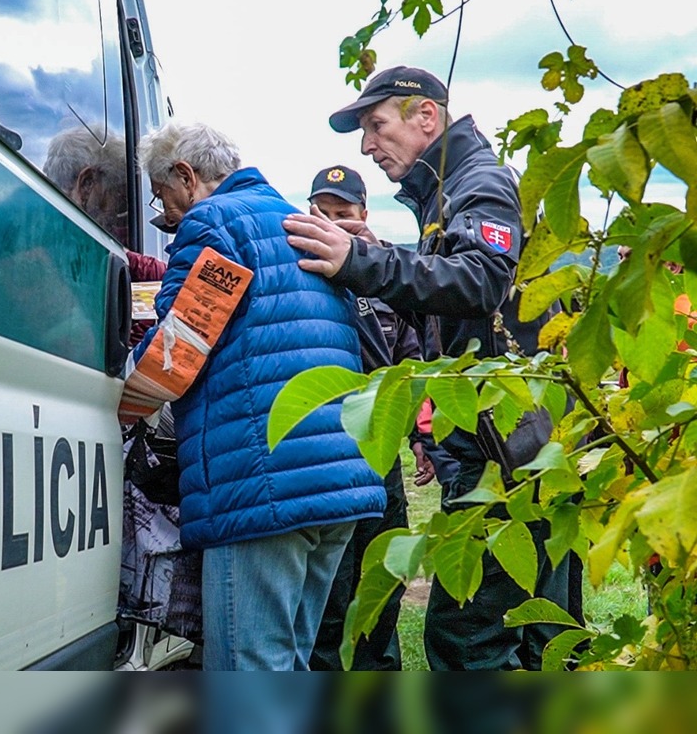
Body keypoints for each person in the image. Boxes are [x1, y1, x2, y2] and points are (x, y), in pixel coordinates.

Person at [282, 65, 565, 671]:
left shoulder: (480, 180)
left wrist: (361, 262)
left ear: (426, 117)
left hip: (506, 457)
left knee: (468, 640)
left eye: (376, 126)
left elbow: (483, 280)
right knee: (518, 634)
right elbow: (455, 293)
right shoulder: (448, 190)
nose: (366, 145)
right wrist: (386, 252)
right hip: (498, 447)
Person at [129, 122, 386, 671]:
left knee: (250, 671)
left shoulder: (214, 223)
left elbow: (179, 350)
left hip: (264, 488)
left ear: (186, 176)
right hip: (336, 478)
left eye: (163, 195)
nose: (165, 212)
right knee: (291, 663)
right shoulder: (297, 221)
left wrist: (121, 396)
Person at [304, 165, 420, 671]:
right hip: (325, 452)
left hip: (378, 454)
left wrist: (422, 438)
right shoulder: (298, 268)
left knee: (381, 583)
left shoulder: (389, 273)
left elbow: (415, 358)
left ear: (365, 215)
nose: (332, 224)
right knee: (330, 594)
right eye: (321, 214)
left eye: (343, 215)